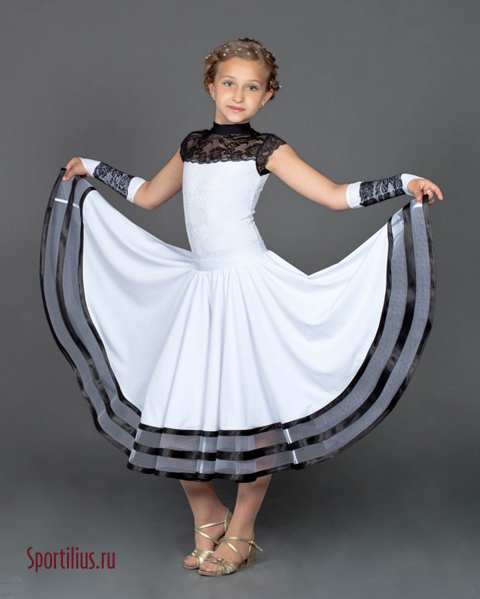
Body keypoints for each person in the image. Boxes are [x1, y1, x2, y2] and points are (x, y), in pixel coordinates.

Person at [41, 37, 443, 577]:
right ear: (210, 86)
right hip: (200, 289)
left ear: (267, 96)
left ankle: (244, 529)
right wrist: (92, 167)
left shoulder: (267, 149)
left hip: (249, 287)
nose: (238, 95)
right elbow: (148, 195)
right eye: (229, 83)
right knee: (176, 403)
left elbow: (331, 194)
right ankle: (208, 512)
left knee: (252, 412)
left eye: (251, 87)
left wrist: (403, 182)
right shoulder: (192, 145)